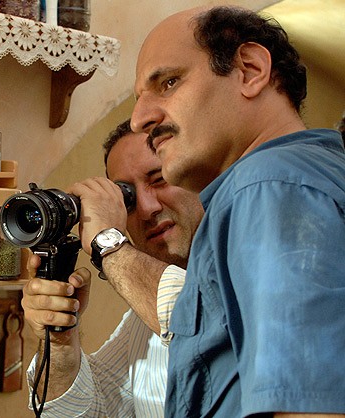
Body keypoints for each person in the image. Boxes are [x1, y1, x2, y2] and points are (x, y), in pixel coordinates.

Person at [131, 5, 345, 417]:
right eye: (139, 98)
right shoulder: (301, 177)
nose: (140, 119)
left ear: (250, 70)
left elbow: (310, 407)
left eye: (169, 82)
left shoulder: (267, 186)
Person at [22, 119, 204, 416]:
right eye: (126, 198)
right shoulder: (140, 322)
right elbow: (85, 411)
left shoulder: (249, 264)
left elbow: (201, 325)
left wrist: (107, 244)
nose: (146, 209)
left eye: (159, 179)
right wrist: (60, 343)